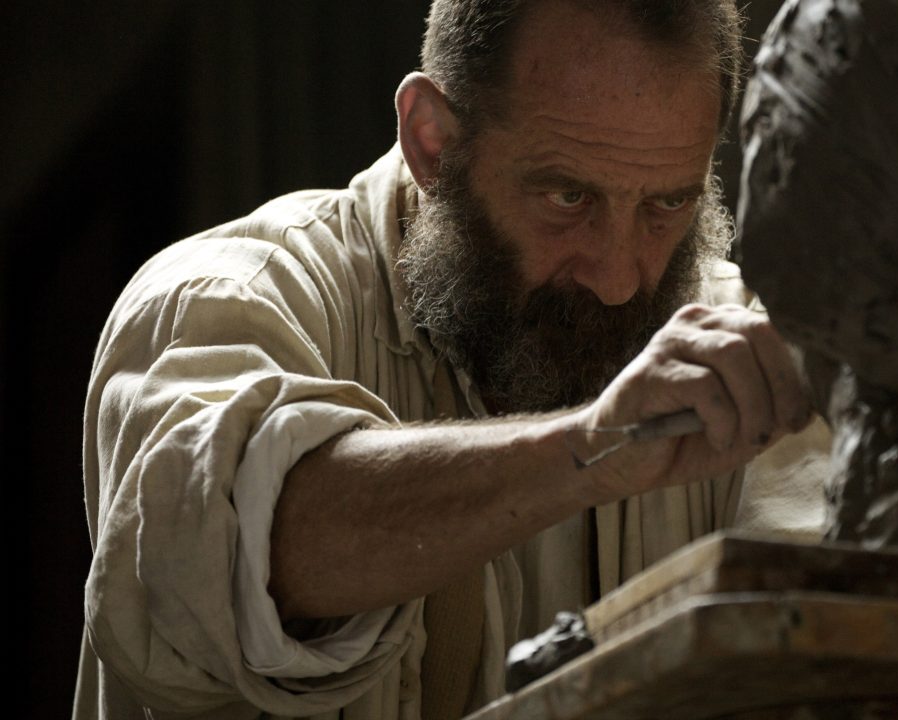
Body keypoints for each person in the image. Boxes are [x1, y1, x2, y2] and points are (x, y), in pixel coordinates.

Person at [77, 1, 828, 717]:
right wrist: (589, 448)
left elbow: (828, 643)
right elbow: (203, 555)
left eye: (667, 205)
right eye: (568, 198)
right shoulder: (228, 296)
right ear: (431, 141)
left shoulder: (736, 346)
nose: (620, 279)